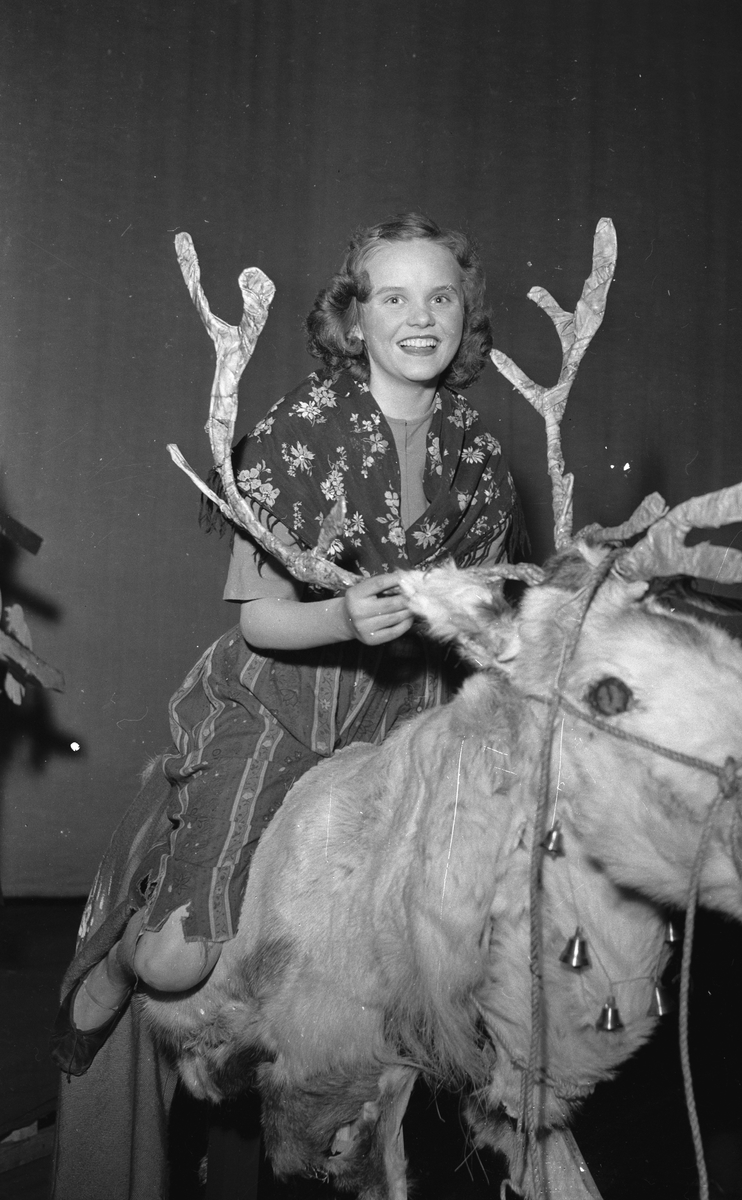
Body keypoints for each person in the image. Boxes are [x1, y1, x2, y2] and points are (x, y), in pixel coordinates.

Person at [50, 213, 521, 1077]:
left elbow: (483, 621)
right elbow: (258, 618)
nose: (420, 316)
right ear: (354, 320)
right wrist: (342, 621)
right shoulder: (299, 431)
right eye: (393, 296)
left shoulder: (483, 456)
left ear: (465, 317)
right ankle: (122, 953)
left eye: (441, 296)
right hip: (280, 702)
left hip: (405, 716)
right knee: (175, 965)